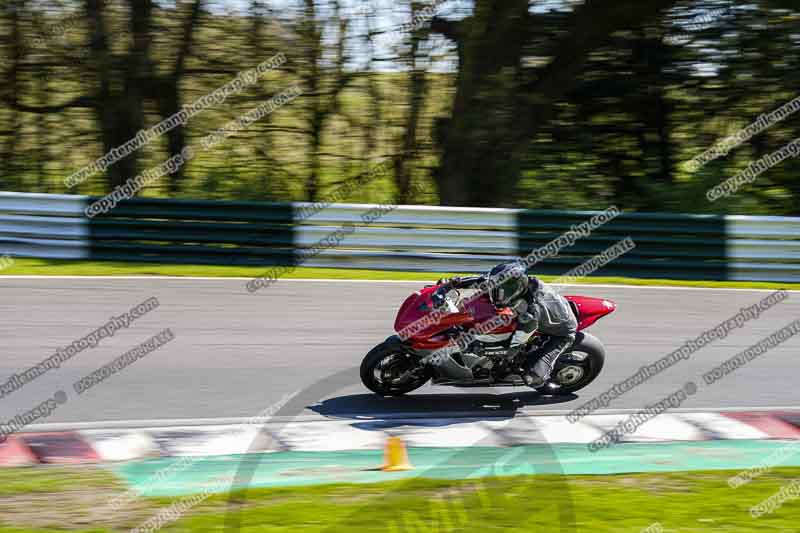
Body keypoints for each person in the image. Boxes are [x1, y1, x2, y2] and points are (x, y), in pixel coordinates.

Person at [432, 262, 577, 387]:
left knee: (533, 378)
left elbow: (513, 347)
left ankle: (538, 373)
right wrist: (451, 284)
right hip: (548, 313)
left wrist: (478, 346)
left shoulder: (531, 312)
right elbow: (481, 280)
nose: (498, 293)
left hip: (560, 332)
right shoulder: (518, 283)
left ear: (516, 288)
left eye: (502, 291)